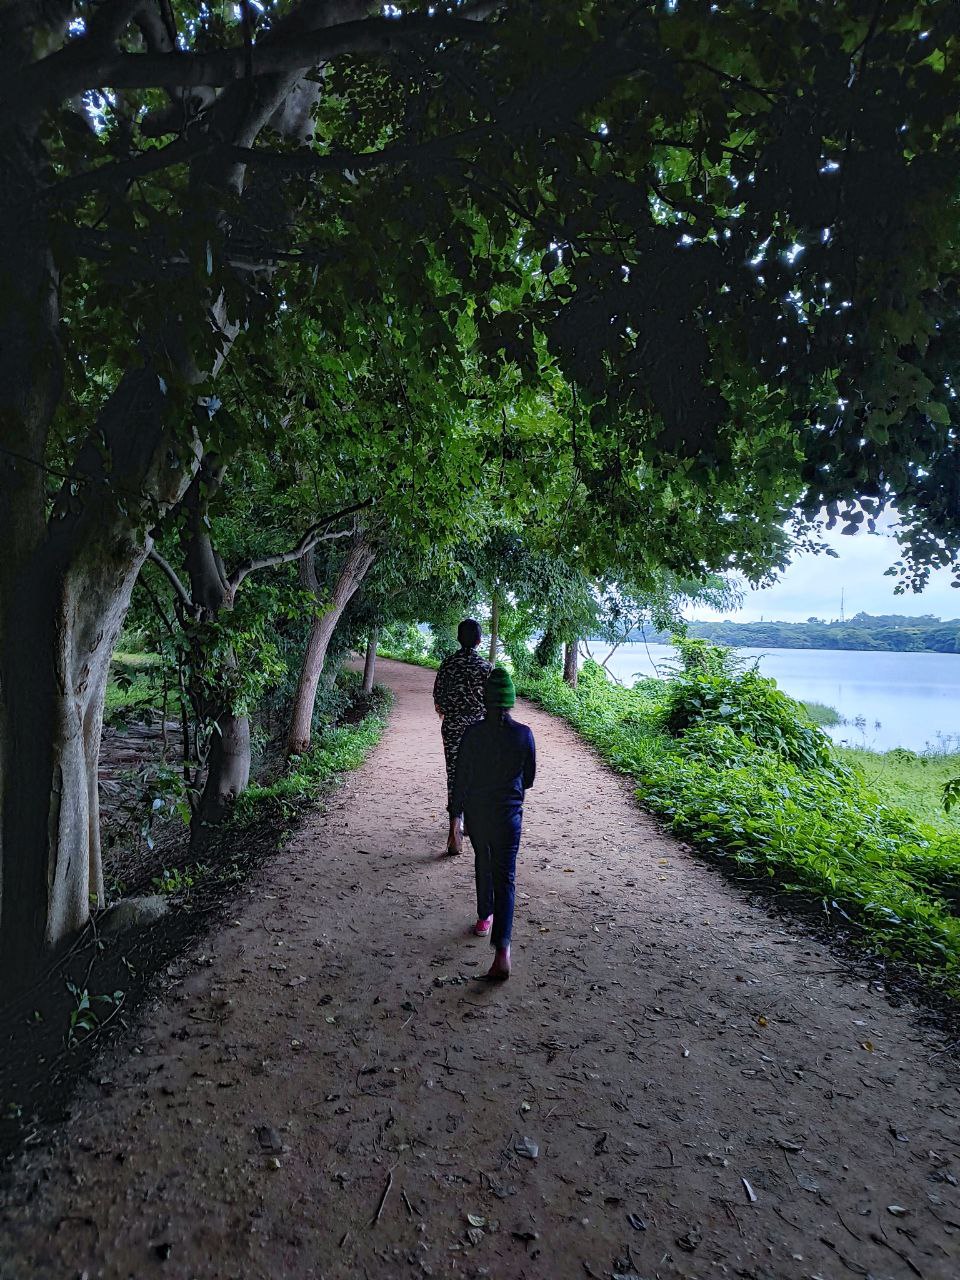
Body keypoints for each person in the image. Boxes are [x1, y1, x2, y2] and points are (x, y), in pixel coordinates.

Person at [452, 667, 536, 981]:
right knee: (506, 877)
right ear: (510, 702)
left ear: (484, 701)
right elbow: (529, 779)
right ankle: (502, 951)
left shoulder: (472, 734)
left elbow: (460, 778)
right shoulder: (524, 734)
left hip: (479, 815)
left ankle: (484, 917)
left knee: (483, 862)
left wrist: (456, 815)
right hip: (509, 816)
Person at [432, 619, 493, 855]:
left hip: (453, 727)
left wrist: (451, 712)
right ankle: (469, 822)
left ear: (458, 639)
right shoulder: (486, 667)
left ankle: (454, 827)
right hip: (479, 729)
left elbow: (439, 700)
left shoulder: (448, 664)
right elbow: (492, 704)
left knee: (454, 775)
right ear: (479, 640)